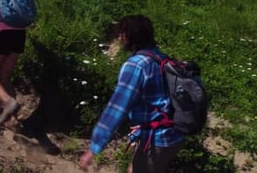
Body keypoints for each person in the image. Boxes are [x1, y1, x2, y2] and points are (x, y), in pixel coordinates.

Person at [79, 15, 184, 173]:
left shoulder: (136, 65)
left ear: (130, 36)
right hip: (172, 135)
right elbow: (160, 100)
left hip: (156, 139)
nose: (119, 38)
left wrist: (94, 148)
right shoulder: (161, 58)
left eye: (122, 33)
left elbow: (117, 108)